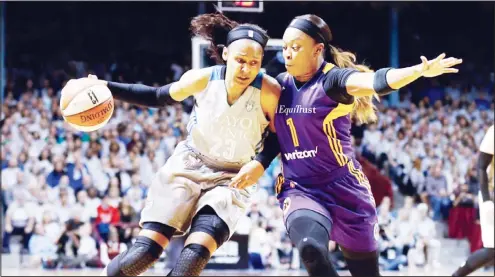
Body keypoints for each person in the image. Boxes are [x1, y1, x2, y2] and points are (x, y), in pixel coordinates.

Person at [229, 14, 462, 277]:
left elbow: (375, 82)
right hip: (300, 188)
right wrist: (260, 162)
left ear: (318, 50)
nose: (288, 54)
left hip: (345, 189)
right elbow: (276, 135)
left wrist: (418, 70)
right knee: (310, 250)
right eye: (284, 48)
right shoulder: (278, 84)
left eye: (295, 48)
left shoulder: (334, 80)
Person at [62, 13, 280, 276]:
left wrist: (260, 163)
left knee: (192, 260)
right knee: (145, 253)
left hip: (232, 178)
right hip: (188, 166)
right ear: (225, 55)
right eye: (240, 61)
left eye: (254, 63)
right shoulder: (203, 78)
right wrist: (106, 86)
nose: (246, 69)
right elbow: (157, 96)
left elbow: (280, 135)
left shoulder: (269, 91)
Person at [452, 124, 494, 277]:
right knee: (491, 251)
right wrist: (487, 199)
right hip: (491, 195)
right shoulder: (493, 132)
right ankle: (457, 274)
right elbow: (481, 166)